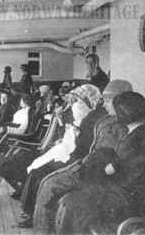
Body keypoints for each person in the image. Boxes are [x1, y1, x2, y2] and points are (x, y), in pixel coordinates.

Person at [30, 81, 134, 233]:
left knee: (49, 186)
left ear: (123, 103)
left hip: (96, 176)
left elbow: (109, 159)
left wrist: (80, 167)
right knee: (47, 183)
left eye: (109, 101)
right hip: (88, 167)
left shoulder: (119, 125)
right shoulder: (106, 119)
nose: (104, 104)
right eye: (104, 100)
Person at [54, 91, 145, 234]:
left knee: (73, 202)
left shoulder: (140, 137)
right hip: (120, 187)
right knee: (71, 199)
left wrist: (106, 174)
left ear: (124, 112)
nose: (114, 114)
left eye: (116, 110)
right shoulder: (135, 131)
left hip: (128, 195)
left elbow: (131, 175)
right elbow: (123, 163)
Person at [15, 84, 106, 228]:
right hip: (70, 152)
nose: (76, 104)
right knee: (37, 170)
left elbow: (86, 147)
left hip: (78, 159)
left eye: (79, 101)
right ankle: (31, 210)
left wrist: (75, 134)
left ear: (89, 101)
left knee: (41, 175)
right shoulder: (87, 114)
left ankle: (34, 215)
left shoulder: (95, 119)